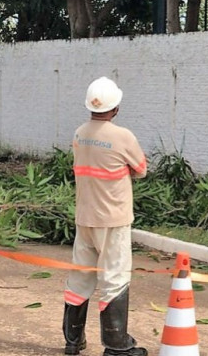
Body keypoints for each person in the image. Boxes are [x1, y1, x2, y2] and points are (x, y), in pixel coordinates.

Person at [62, 76, 148, 356]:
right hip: (113, 220)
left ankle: (73, 342)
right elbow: (141, 168)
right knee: (115, 278)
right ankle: (116, 345)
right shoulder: (123, 137)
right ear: (117, 107)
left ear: (89, 106)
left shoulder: (78, 134)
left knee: (80, 278)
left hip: (84, 218)